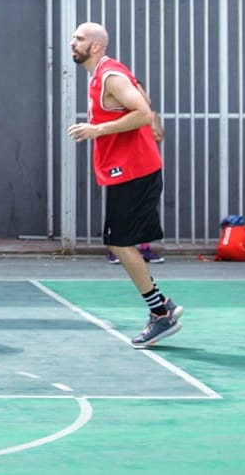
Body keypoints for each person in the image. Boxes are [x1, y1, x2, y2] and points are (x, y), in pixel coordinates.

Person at [67, 22, 183, 348]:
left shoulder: (109, 76)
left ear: (96, 46)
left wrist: (97, 130)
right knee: (119, 242)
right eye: (74, 37)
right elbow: (144, 100)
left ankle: (161, 313)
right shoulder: (104, 75)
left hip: (133, 170)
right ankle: (162, 306)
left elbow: (143, 111)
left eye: (79, 39)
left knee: (119, 242)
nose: (72, 43)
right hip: (129, 169)